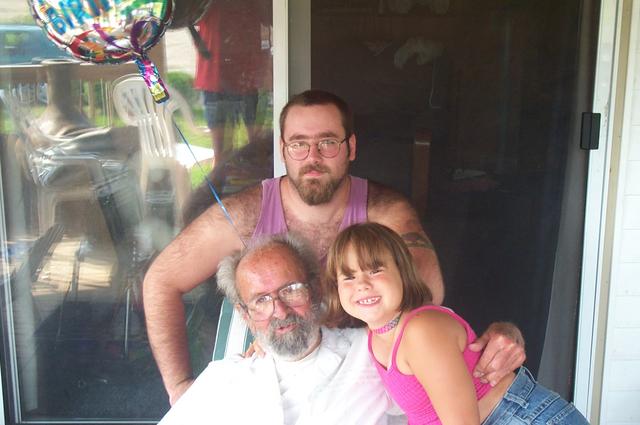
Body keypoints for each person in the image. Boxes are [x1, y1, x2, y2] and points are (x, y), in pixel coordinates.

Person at [143, 89, 525, 405]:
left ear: (350, 147)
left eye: (327, 143)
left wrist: (499, 334)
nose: (313, 157)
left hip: (363, 387)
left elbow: (425, 293)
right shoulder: (244, 214)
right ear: (283, 149)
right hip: (275, 383)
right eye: (299, 144)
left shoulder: (385, 211)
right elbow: (160, 281)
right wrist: (179, 388)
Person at [324, 223, 589, 425]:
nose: (362, 284)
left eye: (375, 270)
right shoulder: (375, 337)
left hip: (523, 418)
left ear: (402, 273)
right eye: (348, 277)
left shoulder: (421, 330)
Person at [158, 234, 403, 424]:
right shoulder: (221, 379)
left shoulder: (373, 353)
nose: (281, 311)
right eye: (261, 300)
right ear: (245, 315)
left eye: (291, 290)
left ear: (316, 290)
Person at [193, 0, 271, 166]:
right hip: (216, 74)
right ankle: (222, 177)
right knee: (221, 151)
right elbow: (189, 16)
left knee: (255, 144)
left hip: (246, 74)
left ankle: (256, 175)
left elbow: (271, 17)